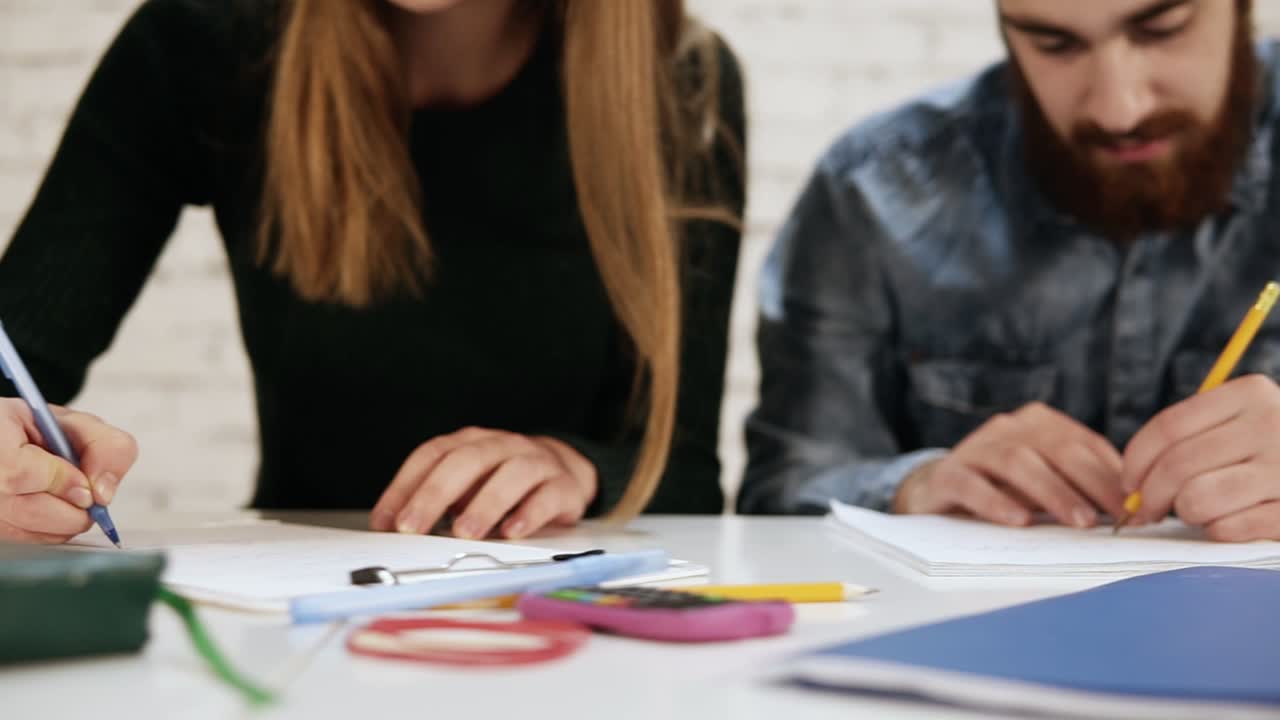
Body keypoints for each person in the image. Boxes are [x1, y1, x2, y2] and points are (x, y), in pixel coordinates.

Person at [0, 0, 745, 544]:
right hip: (297, 606)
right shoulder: (205, 40)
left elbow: (682, 469)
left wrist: (578, 467)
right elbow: (20, 351)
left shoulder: (682, 85)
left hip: (574, 611)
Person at [742, 0, 1280, 542]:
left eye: (1163, 31)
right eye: (1054, 45)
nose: (1119, 109)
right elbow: (784, 487)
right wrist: (914, 486)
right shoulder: (876, 189)